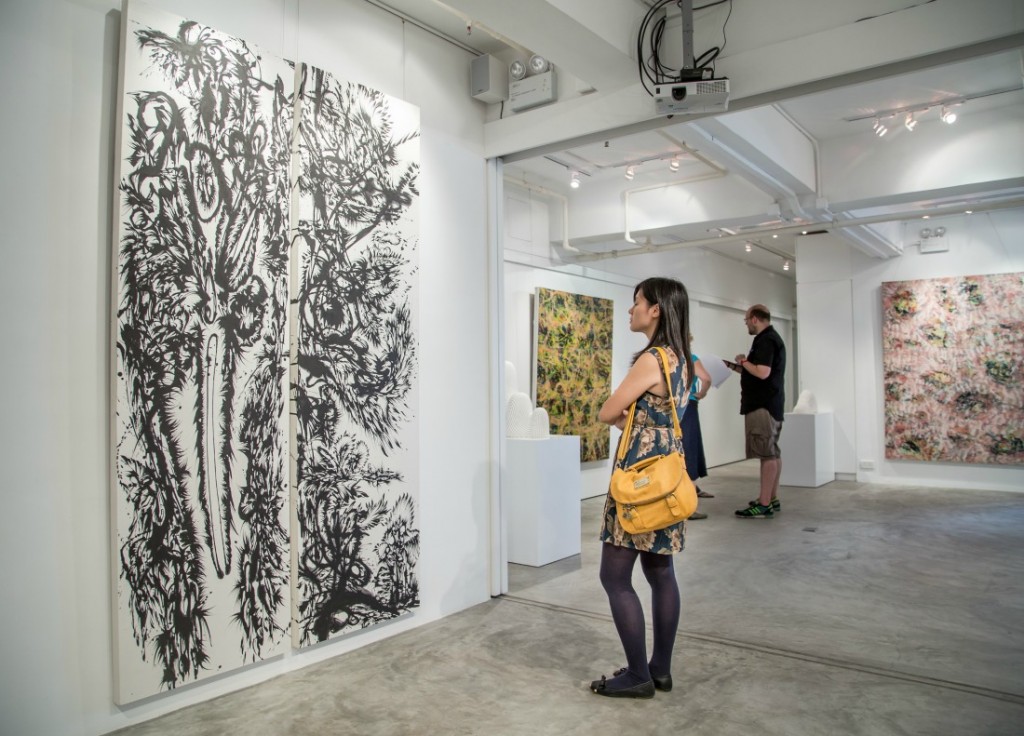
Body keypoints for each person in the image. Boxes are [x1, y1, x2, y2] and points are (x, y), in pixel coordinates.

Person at [591, 277, 693, 699]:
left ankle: (638, 675)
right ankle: (659, 669)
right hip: (666, 477)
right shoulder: (681, 359)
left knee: (614, 576)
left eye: (636, 302)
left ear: (656, 309)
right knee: (660, 571)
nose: (630, 309)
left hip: (638, 479)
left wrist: (627, 421)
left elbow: (607, 412)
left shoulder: (652, 359)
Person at [731, 304, 786, 518]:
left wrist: (743, 360)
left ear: (754, 319)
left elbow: (762, 373)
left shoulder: (765, 340)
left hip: (762, 406)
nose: (746, 324)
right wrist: (735, 367)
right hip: (771, 404)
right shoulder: (770, 339)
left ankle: (764, 504)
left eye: (746, 320)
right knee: (772, 452)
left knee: (767, 454)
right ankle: (771, 498)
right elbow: (756, 372)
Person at [683, 338, 712, 519]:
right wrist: (701, 393)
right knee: (690, 450)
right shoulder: (690, 357)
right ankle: (690, 507)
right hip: (689, 406)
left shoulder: (667, 357)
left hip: (672, 408)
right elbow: (706, 378)